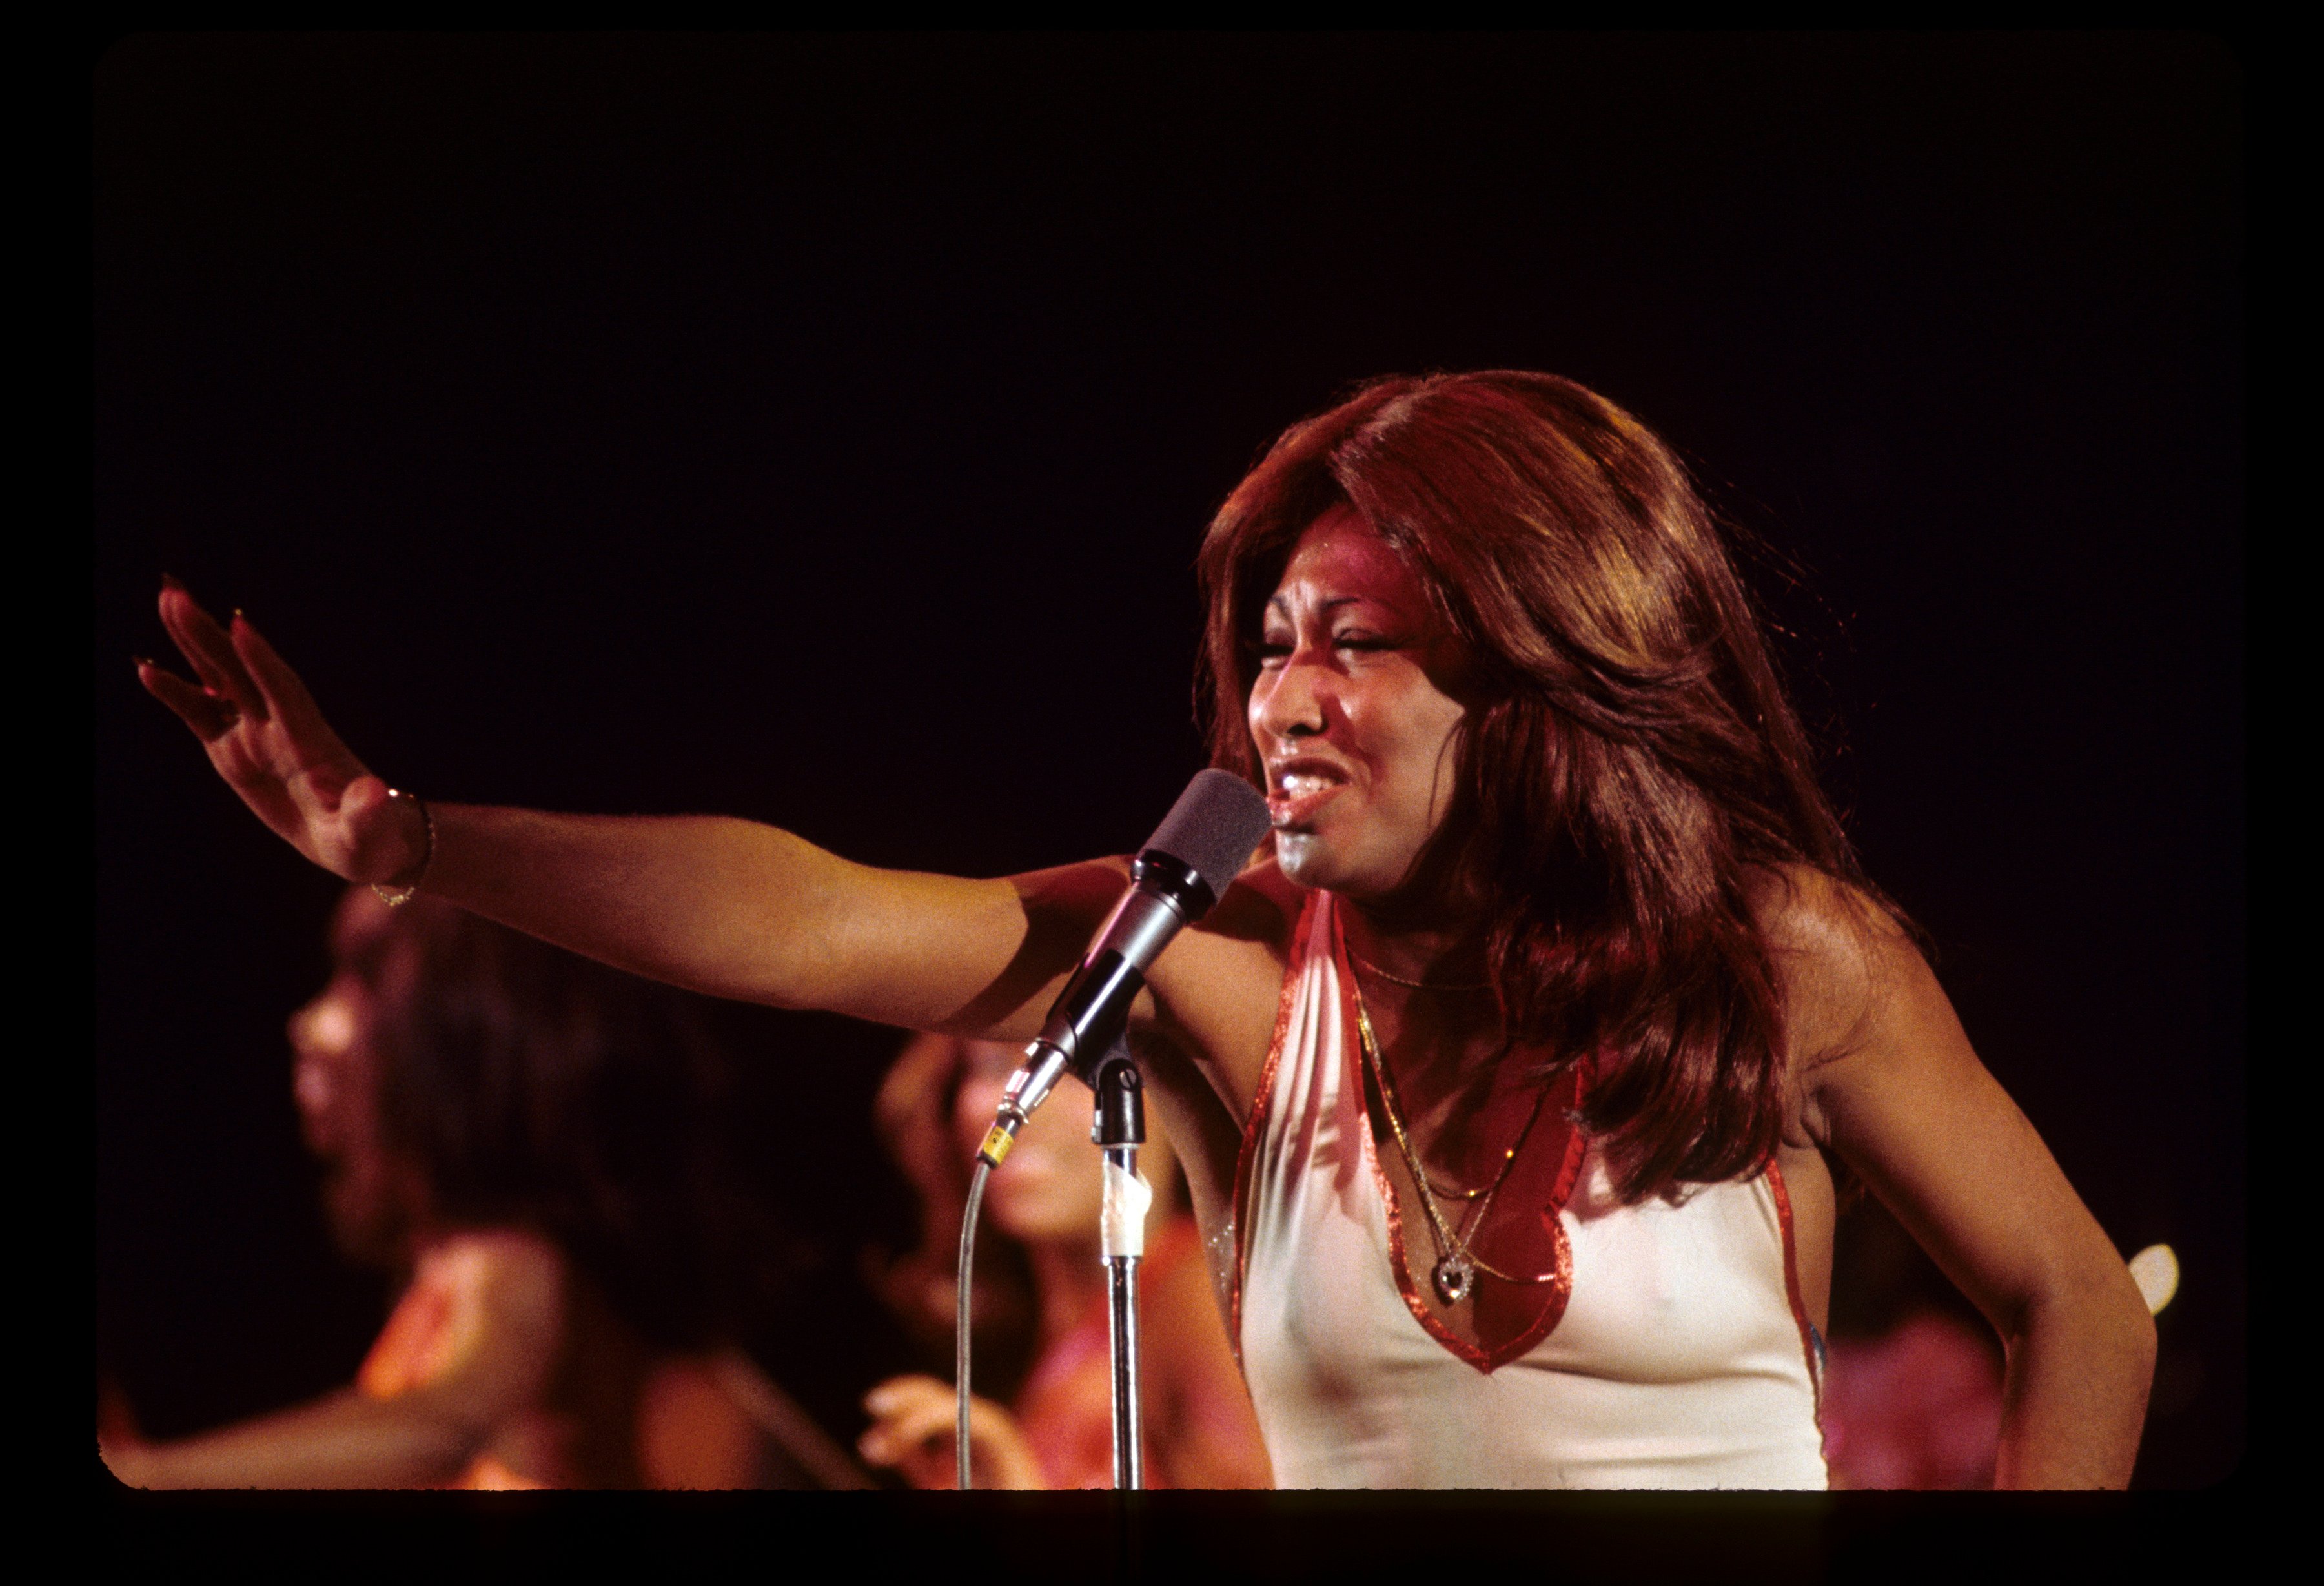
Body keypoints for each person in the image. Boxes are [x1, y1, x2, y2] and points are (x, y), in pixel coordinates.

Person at [137, 370, 2156, 1488]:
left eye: (1356, 644)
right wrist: (413, 847)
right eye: (1271, 643)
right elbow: (823, 921)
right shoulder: (1209, 980)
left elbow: (2077, 1302)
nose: (1282, 701)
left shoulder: (1780, 963)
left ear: (1537, 670)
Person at [100, 886, 868, 1490]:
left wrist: (144, 1474)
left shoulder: (513, 1258)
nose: (310, 1023)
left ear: (461, 1041)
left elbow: (442, 1429)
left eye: (359, 984)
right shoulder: (458, 1272)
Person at [856, 1032, 1271, 1489]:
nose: (1017, 1099)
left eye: (1076, 1072)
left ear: (1173, 1094)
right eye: (992, 1064)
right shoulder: (1049, 1343)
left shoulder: (1192, 1296)